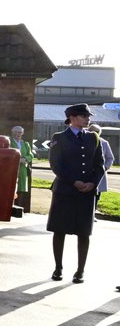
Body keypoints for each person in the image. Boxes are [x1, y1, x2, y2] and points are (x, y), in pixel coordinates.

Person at [47, 104, 104, 283]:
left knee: (84, 232)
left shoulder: (93, 138)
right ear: (72, 118)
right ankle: (58, 268)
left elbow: (99, 165)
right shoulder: (59, 138)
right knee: (60, 230)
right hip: (65, 191)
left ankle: (80, 271)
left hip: (86, 193)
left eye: (88, 116)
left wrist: (92, 183)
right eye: (84, 116)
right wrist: (74, 181)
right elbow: (56, 164)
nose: (88, 119)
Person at [86, 123, 114, 209]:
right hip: (86, 173)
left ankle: (93, 213)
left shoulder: (104, 143)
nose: (95, 133)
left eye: (97, 131)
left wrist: (104, 167)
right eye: (92, 131)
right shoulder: (83, 141)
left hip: (98, 174)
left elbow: (110, 158)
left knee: (96, 195)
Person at [10, 126, 33, 211]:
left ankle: (19, 207)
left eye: (20, 132)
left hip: (22, 169)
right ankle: (11, 207)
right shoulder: (9, 142)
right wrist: (16, 159)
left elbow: (31, 155)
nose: (18, 134)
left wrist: (26, 159)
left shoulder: (25, 144)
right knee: (12, 188)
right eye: (17, 132)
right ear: (13, 132)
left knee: (21, 189)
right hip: (12, 169)